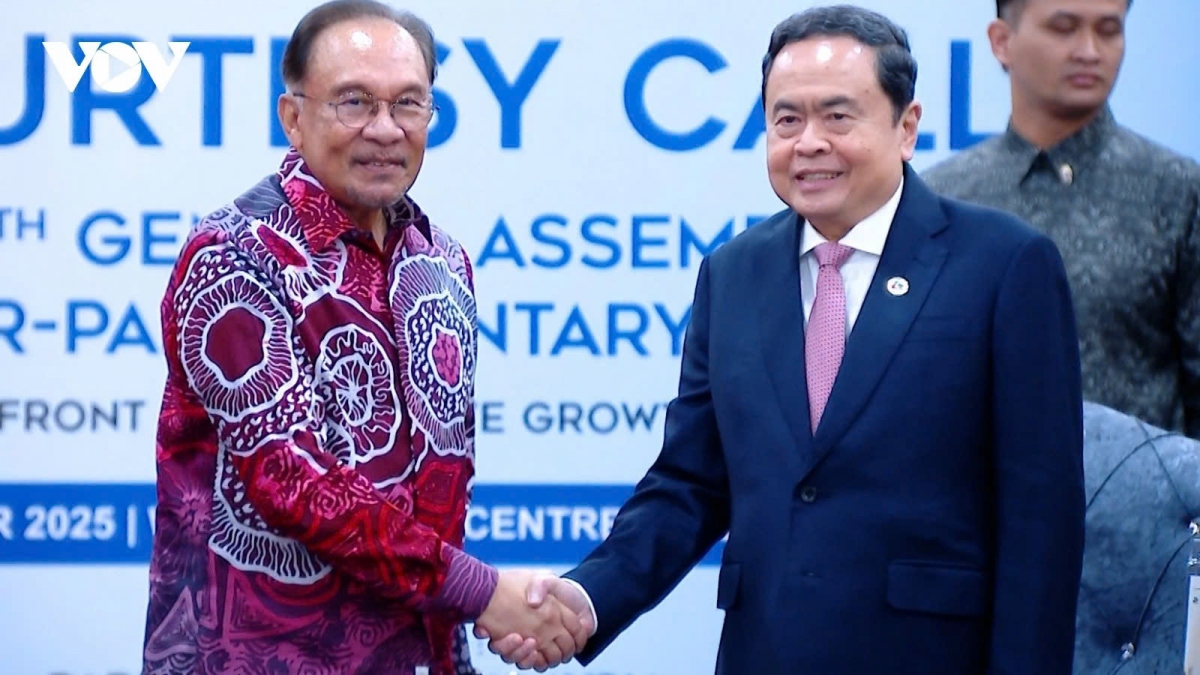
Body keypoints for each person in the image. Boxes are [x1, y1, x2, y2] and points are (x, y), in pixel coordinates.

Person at [481, 5, 1086, 673]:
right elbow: (690, 483)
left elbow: (1042, 521)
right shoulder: (733, 272)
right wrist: (589, 596)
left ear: (906, 126)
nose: (809, 142)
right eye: (786, 119)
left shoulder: (1003, 265)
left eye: (838, 116)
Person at [139, 1, 587, 673]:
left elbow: (441, 496)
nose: (385, 129)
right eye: (354, 102)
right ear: (293, 117)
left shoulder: (443, 264)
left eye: (409, 104)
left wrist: (472, 628)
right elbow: (293, 480)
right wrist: (484, 591)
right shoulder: (233, 255)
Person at [922, 0, 1200, 438]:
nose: (1089, 50)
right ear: (1001, 41)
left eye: (1108, 30)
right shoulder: (940, 197)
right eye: (1064, 28)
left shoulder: (1179, 191)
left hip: (1144, 500)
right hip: (972, 498)